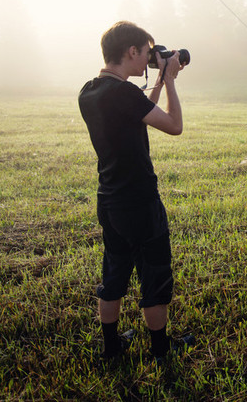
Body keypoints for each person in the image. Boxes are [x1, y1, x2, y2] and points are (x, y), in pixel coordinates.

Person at [78, 21, 186, 363]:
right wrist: (169, 81)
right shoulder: (124, 94)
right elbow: (173, 125)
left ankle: (112, 347)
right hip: (139, 200)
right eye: (146, 53)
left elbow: (138, 113)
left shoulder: (89, 91)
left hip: (109, 199)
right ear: (132, 51)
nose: (149, 60)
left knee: (114, 272)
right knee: (153, 274)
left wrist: (155, 82)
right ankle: (160, 350)